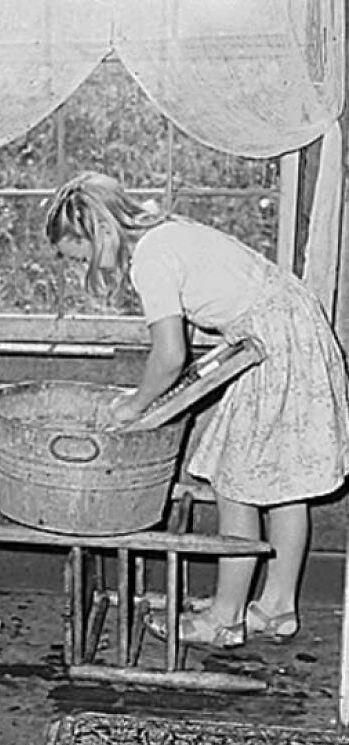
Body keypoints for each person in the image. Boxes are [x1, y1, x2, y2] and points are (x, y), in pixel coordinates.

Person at [45, 171, 349, 649]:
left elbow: (169, 355)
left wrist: (136, 404)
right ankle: (276, 608)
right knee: (286, 486)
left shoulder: (150, 258)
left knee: (235, 482)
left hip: (276, 342)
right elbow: (184, 339)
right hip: (294, 329)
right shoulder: (167, 232)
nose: (84, 265)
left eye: (79, 254)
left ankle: (225, 619)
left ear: (100, 230)